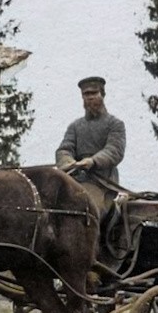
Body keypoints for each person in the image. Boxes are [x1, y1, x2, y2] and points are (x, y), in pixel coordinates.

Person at [55, 76, 126, 215]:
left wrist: (92, 161)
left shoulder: (115, 124)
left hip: (103, 184)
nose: (90, 97)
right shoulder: (75, 126)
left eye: (94, 93)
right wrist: (69, 162)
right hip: (75, 181)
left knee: (87, 209)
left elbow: (114, 150)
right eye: (86, 94)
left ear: (102, 94)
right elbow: (64, 149)